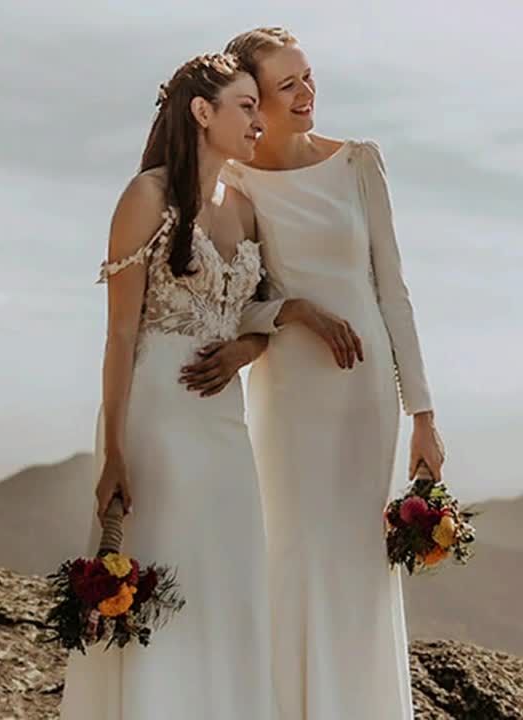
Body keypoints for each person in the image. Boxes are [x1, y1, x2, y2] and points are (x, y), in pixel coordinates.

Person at [180, 27, 447, 720]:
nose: (307, 95)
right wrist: (288, 314)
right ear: (255, 103)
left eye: (309, 78)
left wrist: (423, 411)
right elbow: (237, 296)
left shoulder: (359, 161)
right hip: (290, 387)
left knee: (360, 554)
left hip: (364, 392)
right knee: (293, 549)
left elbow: (393, 288)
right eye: (287, 85)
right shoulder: (234, 181)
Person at [58, 53, 276, 720]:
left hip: (224, 423)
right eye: (246, 105)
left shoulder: (245, 208)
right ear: (202, 112)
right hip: (156, 414)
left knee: (227, 577)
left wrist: (244, 348)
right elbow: (120, 334)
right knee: (167, 571)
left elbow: (262, 317)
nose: (259, 122)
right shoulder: (146, 196)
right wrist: (115, 452)